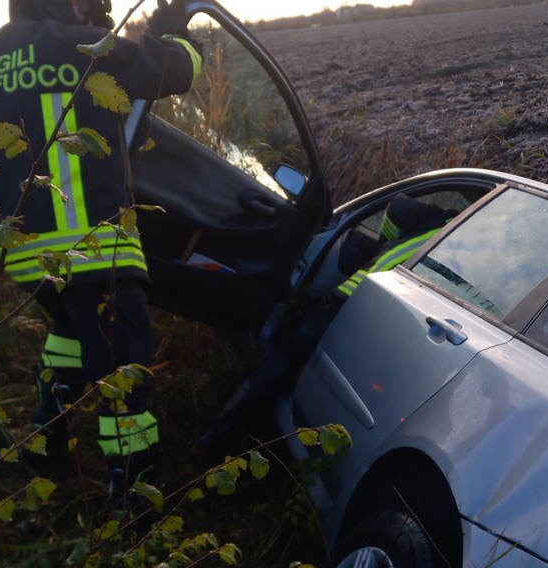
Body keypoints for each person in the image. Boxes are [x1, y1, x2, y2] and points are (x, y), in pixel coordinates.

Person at [0, 0, 202, 511]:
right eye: (84, 1)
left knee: (68, 335)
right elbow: (173, 71)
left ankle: (45, 444)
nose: (88, 11)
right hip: (90, 249)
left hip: (24, 258)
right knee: (124, 379)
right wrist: (174, 31)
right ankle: (132, 503)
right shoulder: (77, 46)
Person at [195, 194, 458, 458]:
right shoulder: (457, 237)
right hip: (364, 306)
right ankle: (223, 439)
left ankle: (219, 439)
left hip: (353, 301)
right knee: (290, 365)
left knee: (284, 363)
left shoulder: (447, 228)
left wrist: (385, 244)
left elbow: (398, 207)